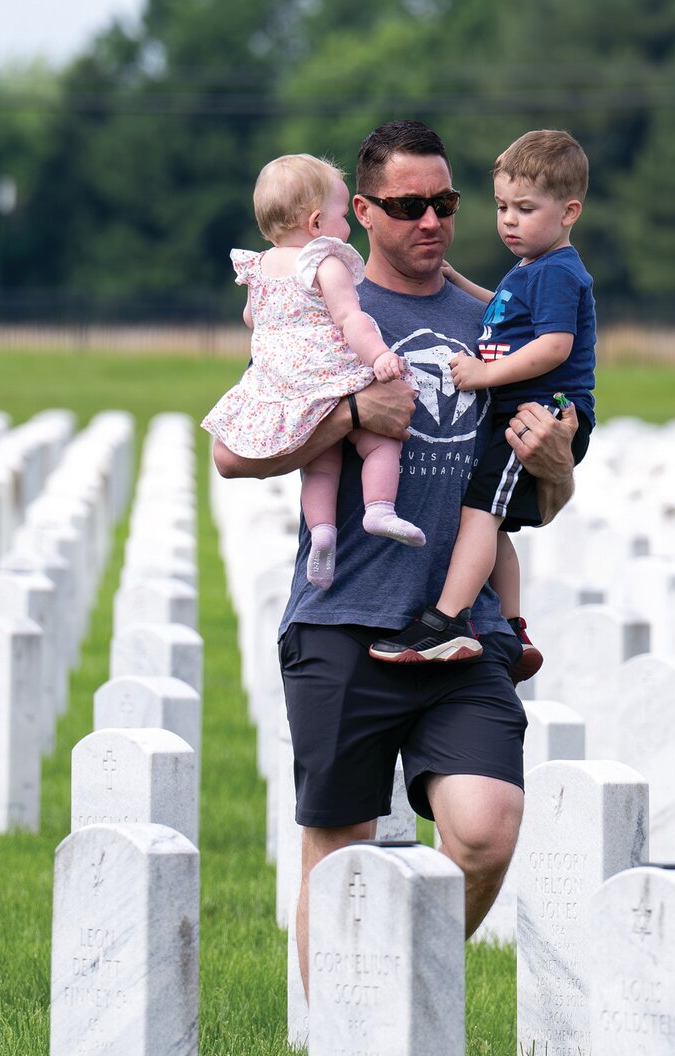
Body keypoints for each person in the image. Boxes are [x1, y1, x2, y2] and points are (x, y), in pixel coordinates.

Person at [211, 119, 581, 995]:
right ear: (361, 213)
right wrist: (349, 419)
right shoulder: (319, 309)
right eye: (410, 206)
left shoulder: (496, 317)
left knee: (488, 827)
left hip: (458, 628)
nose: (433, 222)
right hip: (342, 621)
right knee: (339, 852)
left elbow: (533, 500)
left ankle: (396, 995)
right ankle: (352, 1030)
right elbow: (231, 454)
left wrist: (557, 471)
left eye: (445, 204)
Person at [369, 130, 596, 677]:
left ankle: (446, 621)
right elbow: (505, 311)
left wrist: (484, 373)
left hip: (538, 415)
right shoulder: (532, 271)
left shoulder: (560, 271)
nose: (509, 221)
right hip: (523, 415)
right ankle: (514, 629)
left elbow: (553, 346)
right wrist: (458, 281)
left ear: (569, 212)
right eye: (500, 207)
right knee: (490, 526)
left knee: (478, 511)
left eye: (525, 208)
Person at [201, 154, 425, 593]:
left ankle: (323, 531)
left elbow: (252, 318)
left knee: (319, 465)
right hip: (332, 376)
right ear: (319, 223)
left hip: (285, 387)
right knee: (380, 439)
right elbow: (351, 319)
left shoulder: (259, 268)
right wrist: (379, 356)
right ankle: (379, 508)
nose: (348, 228)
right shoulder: (325, 261)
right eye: (344, 216)